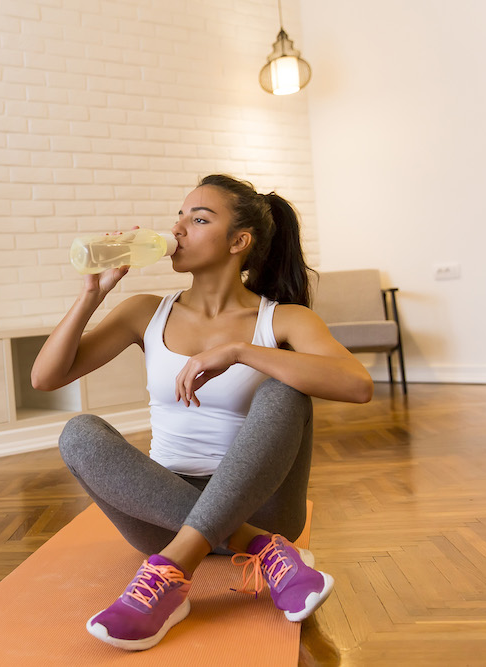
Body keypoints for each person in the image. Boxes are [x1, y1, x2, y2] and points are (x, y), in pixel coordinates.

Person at [31, 174, 374, 651]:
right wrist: (93, 292)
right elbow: (45, 378)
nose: (178, 229)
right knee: (78, 432)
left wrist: (240, 351)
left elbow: (358, 386)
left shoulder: (285, 319)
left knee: (285, 391)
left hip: (264, 503)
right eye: (180, 216)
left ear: (239, 241)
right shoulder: (145, 311)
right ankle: (261, 550)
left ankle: (171, 573)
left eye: (198, 218)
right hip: (159, 513)